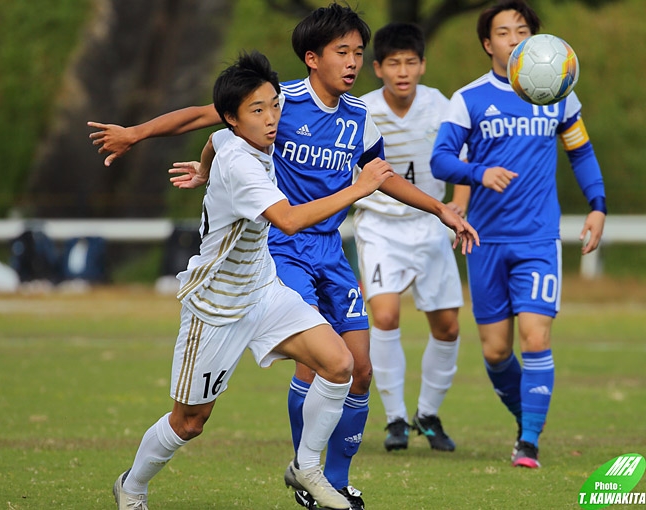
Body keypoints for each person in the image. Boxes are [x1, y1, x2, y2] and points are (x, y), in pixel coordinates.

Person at [90, 4, 478, 507]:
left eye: (359, 53)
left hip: (313, 258)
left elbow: (382, 175)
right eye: (343, 52)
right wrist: (138, 134)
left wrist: (440, 208)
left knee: (351, 365)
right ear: (312, 59)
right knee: (192, 420)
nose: (353, 62)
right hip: (268, 257)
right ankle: (134, 485)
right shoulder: (274, 102)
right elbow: (208, 123)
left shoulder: (357, 116)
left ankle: (318, 476)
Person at [112, 50, 397, 510]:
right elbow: (286, 219)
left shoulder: (230, 143)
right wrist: (358, 188)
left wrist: (202, 168)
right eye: (257, 111)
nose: (272, 119)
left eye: (275, 106)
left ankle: (306, 468)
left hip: (263, 289)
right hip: (216, 306)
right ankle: (133, 485)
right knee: (189, 422)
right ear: (233, 119)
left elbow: (211, 142)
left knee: (340, 364)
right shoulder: (242, 165)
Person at [431, 0, 606, 468]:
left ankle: (528, 441)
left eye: (521, 30)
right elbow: (441, 160)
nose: (513, 39)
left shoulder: (560, 93)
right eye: (503, 32)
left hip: (537, 238)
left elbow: (581, 153)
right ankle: (527, 416)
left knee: (535, 336)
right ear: (488, 43)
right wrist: (479, 172)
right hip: (484, 240)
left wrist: (597, 206)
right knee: (496, 351)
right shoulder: (468, 98)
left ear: (536, 39)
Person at [355, 22, 471, 454]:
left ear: (422, 65)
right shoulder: (361, 111)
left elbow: (463, 161)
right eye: (393, 63)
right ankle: (395, 419)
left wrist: (458, 205)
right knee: (384, 316)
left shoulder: (442, 106)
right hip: (380, 224)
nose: (402, 71)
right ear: (378, 68)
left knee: (448, 325)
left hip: (431, 224)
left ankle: (428, 413)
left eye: (410, 62)